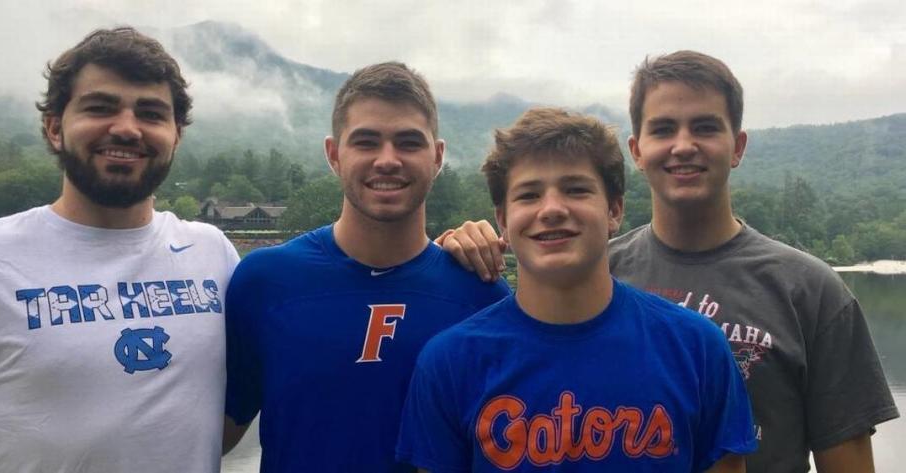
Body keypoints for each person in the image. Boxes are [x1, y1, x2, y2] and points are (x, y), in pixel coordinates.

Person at [439, 51, 900, 473]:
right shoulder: (588, 273)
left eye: (705, 127)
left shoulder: (811, 289)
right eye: (663, 129)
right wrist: (453, 257)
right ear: (636, 150)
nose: (683, 145)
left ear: (737, 146)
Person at [398, 107, 755, 472]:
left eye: (576, 189)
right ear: (503, 220)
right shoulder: (450, 362)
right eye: (529, 195)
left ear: (614, 210)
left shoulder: (696, 349)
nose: (552, 209)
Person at [0, 27, 239, 472]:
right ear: (54, 128)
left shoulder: (213, 252)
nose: (126, 128)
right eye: (100, 108)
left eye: (151, 113)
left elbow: (228, 415)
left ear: (176, 135)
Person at [221, 62, 511, 473]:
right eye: (366, 141)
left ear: (438, 156)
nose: (387, 160)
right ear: (334, 155)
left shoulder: (484, 295)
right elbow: (215, 434)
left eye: (409, 142)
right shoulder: (264, 282)